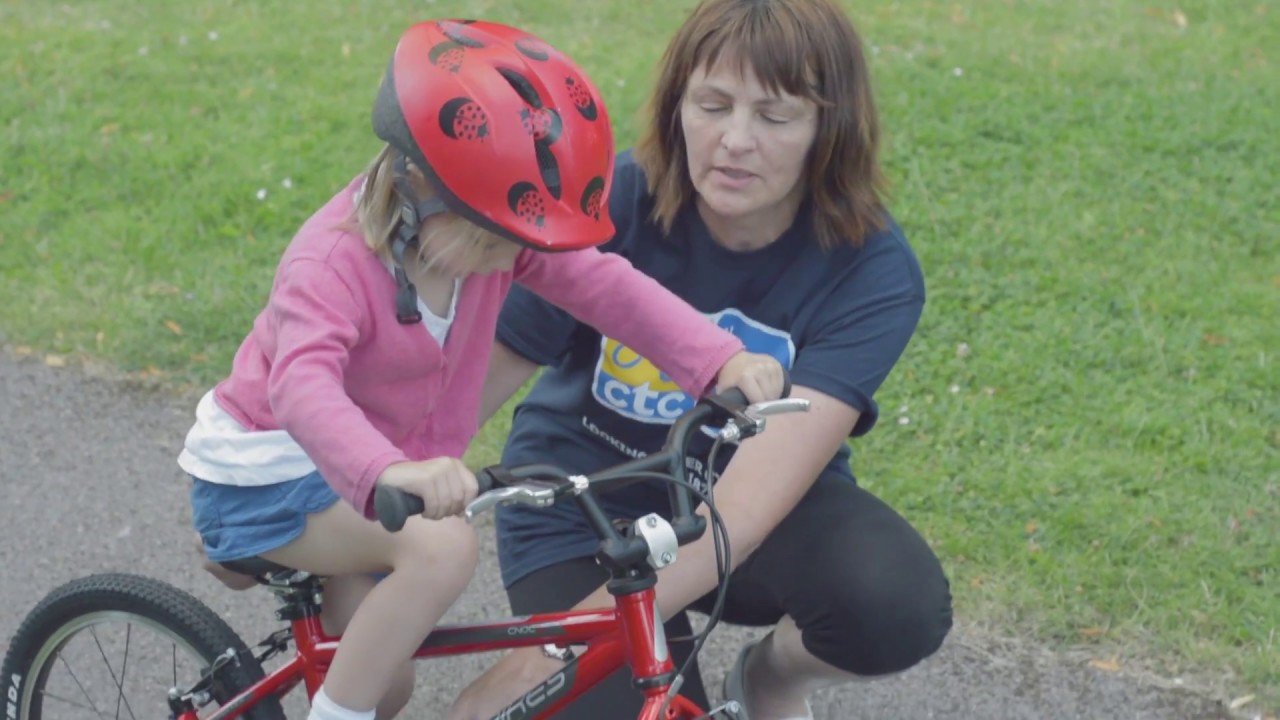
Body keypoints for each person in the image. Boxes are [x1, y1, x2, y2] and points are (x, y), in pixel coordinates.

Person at [177, 19, 786, 720]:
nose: (515, 261)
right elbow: (301, 388)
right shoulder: (331, 266)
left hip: (369, 472)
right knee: (441, 553)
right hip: (270, 468)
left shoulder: (486, 235)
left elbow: (603, 286)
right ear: (420, 189)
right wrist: (387, 471)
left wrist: (717, 359)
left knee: (384, 683)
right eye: (499, 242)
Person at [447, 1, 954, 719]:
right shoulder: (613, 198)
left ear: (826, 132)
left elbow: (744, 512)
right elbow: (471, 391)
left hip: (739, 508)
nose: (734, 141)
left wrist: (540, 657)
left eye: (776, 117)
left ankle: (772, 679)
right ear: (676, 103)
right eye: (711, 104)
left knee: (893, 601)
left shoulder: (872, 270)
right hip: (581, 507)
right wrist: (350, 502)